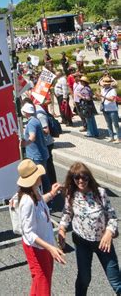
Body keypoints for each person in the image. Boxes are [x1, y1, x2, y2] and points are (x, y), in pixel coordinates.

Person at [58, 162, 121, 295]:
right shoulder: (71, 194)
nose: (81, 181)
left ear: (89, 178)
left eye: (84, 177)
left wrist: (109, 232)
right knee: (84, 278)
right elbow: (67, 213)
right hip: (82, 242)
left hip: (103, 242)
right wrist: (62, 229)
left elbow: (112, 216)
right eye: (77, 177)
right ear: (73, 179)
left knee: (115, 281)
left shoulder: (100, 193)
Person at [16, 159, 66, 295]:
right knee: (43, 282)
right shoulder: (27, 201)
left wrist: (52, 193)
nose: (40, 176)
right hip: (37, 248)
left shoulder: (34, 190)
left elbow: (40, 202)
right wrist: (50, 248)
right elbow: (29, 233)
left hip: (43, 245)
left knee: (41, 280)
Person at [20, 102, 50, 192]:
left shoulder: (31, 123)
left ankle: (46, 199)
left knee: (40, 178)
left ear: (26, 113)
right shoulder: (36, 120)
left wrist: (25, 143)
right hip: (41, 153)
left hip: (36, 155)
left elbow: (32, 137)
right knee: (43, 176)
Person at [96, 76, 120, 144]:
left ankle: (119, 138)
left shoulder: (113, 90)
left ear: (109, 84)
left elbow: (112, 99)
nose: (105, 84)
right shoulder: (103, 89)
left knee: (116, 124)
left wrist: (102, 96)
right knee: (108, 124)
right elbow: (101, 99)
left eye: (107, 83)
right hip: (105, 109)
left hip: (112, 109)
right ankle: (111, 137)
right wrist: (98, 96)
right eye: (105, 83)